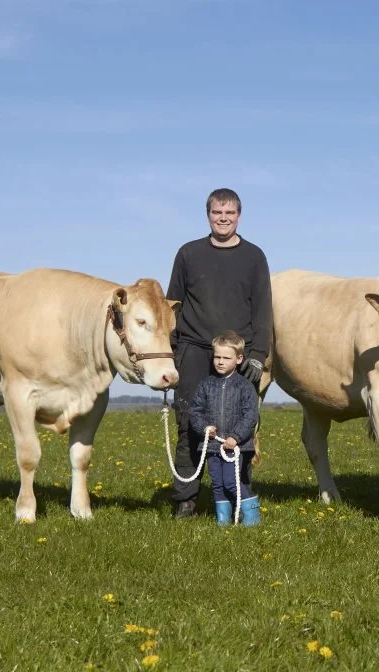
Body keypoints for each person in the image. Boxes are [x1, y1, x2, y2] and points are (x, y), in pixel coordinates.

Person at [166, 188, 273, 518]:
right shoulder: (188, 254)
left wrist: (257, 354)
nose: (223, 218)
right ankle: (187, 498)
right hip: (195, 350)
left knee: (240, 424)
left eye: (229, 213)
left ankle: (237, 496)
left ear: (239, 216)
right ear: (208, 215)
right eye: (217, 213)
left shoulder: (254, 257)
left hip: (239, 354)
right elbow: (173, 304)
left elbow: (263, 310)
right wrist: (170, 353)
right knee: (189, 425)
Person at [188, 331, 262, 526]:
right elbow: (195, 411)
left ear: (238, 359)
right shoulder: (205, 385)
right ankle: (223, 520)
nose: (220, 362)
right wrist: (204, 428)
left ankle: (253, 516)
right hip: (212, 446)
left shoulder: (245, 386)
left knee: (231, 481)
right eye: (217, 357)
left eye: (226, 358)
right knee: (218, 484)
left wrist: (236, 437)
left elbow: (250, 415)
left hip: (235, 447)